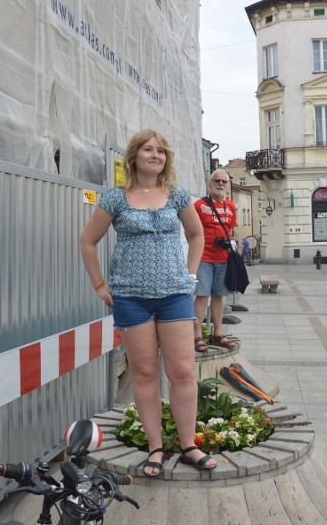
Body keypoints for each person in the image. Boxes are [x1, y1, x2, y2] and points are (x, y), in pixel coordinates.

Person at [80, 129, 216, 476]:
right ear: (134, 156)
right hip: (131, 298)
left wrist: (190, 276)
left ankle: (188, 445)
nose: (155, 155)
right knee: (144, 372)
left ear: (165, 159)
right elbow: (87, 241)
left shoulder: (177, 196)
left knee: (183, 371)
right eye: (148, 149)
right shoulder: (115, 198)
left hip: (174, 296)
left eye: (161, 151)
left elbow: (197, 234)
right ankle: (156, 448)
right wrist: (99, 284)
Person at [193, 170, 238, 353]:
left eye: (223, 181)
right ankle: (197, 335)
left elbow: (230, 231)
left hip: (223, 258)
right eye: (216, 180)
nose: (220, 184)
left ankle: (218, 333)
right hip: (204, 258)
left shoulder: (230, 206)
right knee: (202, 296)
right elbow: (192, 232)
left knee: (219, 296)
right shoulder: (199, 205)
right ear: (209, 183)